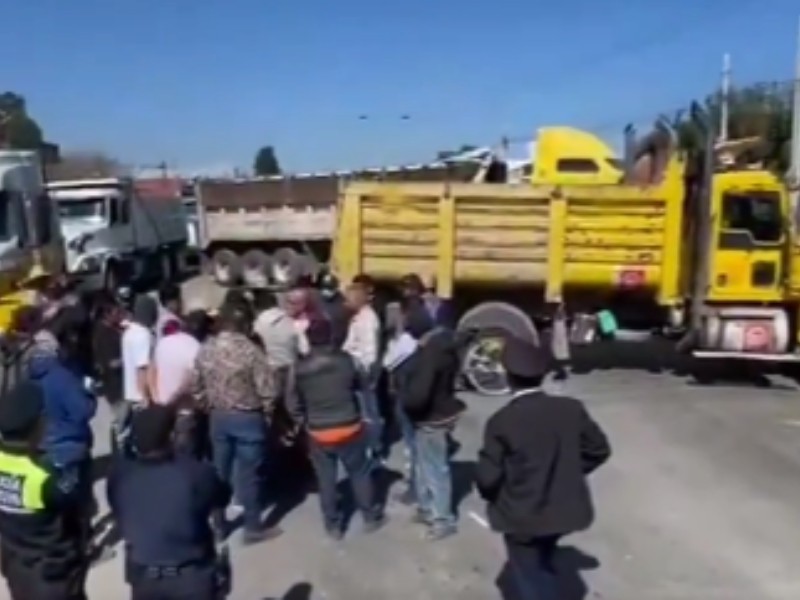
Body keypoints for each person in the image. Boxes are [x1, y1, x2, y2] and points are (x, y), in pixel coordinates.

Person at [475, 333, 611, 600]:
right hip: (564, 513)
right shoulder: (571, 409)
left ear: (507, 377)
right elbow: (599, 450)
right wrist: (570, 471)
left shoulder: (502, 421)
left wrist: (497, 495)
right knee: (544, 555)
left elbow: (487, 478)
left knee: (529, 578)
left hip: (522, 516)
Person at [107, 405, 231, 600]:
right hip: (191, 576)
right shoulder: (194, 473)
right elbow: (222, 496)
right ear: (171, 436)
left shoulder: (120, 476)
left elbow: (119, 511)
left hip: (144, 578)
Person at [289, 317, 387, 540]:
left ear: (308, 339)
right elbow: (364, 387)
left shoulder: (299, 368)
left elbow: (292, 401)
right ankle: (370, 517)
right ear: (332, 336)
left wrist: (303, 419)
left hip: (318, 431)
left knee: (326, 478)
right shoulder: (348, 361)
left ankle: (333, 526)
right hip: (349, 426)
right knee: (360, 473)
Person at [191, 301, 279, 545]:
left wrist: (208, 407)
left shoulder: (206, 349)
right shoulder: (252, 351)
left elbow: (196, 386)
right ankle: (252, 528)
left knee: (220, 473)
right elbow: (268, 391)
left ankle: (219, 526)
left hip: (218, 418)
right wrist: (268, 415)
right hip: (249, 419)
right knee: (249, 475)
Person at [0, 381, 88, 599]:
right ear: (37, 425)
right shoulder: (45, 477)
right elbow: (75, 511)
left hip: (17, 574)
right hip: (54, 579)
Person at [394, 304, 464, 540]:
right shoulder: (444, 345)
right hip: (442, 412)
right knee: (426, 466)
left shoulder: (429, 355)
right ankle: (427, 509)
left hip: (430, 418)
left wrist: (404, 401)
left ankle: (443, 520)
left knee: (435, 469)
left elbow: (419, 395)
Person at [28, 306, 98, 544]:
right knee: (78, 503)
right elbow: (84, 411)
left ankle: (65, 542)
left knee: (57, 503)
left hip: (44, 447)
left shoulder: (28, 375)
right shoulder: (61, 377)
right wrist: (88, 391)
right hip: (70, 447)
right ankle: (83, 545)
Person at [150, 315, 202, 457]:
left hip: (163, 409)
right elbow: (192, 377)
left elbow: (151, 370)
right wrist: (176, 396)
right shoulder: (193, 344)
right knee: (184, 456)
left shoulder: (160, 344)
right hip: (185, 410)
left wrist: (157, 398)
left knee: (166, 453)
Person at [342, 282, 383, 460]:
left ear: (357, 299)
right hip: (357, 371)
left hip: (362, 374)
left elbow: (370, 352)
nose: (345, 302)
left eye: (348, 299)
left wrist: (363, 374)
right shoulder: (359, 316)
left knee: (368, 413)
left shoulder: (367, 321)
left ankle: (373, 449)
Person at [119, 295, 158, 448]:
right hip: (142, 396)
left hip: (131, 393)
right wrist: (146, 397)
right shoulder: (143, 335)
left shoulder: (129, 333)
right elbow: (142, 368)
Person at [92, 296, 126, 451]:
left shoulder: (109, 330)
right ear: (107, 314)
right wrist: (129, 358)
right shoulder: (104, 335)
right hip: (116, 387)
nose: (119, 315)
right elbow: (111, 363)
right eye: (116, 312)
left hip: (115, 385)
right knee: (121, 423)